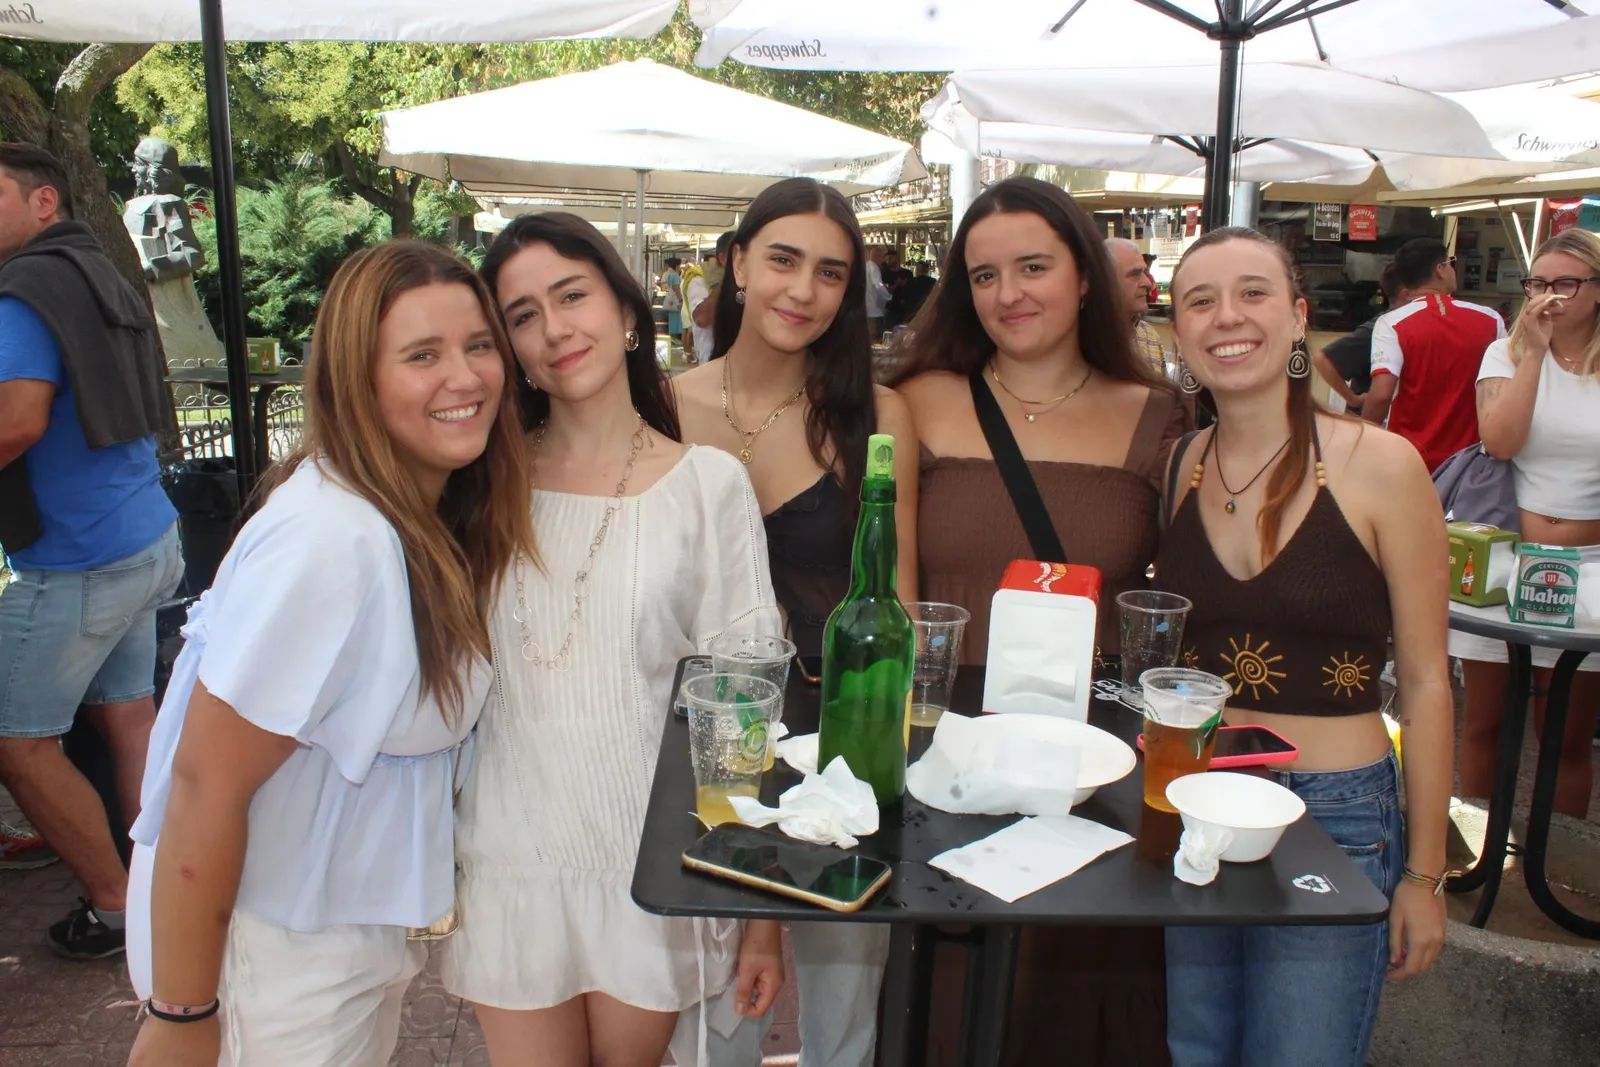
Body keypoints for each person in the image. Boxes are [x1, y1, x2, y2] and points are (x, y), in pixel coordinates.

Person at [124, 239, 535, 1066]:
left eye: (478, 344)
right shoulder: (333, 539)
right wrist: (181, 1015)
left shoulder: (404, 514)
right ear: (357, 376)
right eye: (423, 355)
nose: (466, 377)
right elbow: (206, 782)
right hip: (274, 962)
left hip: (332, 949)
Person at [443, 212, 784, 1067]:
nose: (554, 329)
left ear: (627, 312)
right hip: (508, 857)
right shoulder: (478, 486)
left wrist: (762, 917)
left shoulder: (710, 486)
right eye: (522, 315)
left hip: (649, 860)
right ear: (508, 347)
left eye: (571, 296)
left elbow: (744, 709)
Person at [891, 175, 1187, 1065]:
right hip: (948, 760)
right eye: (984, 276)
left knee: (1071, 1000)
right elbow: (897, 590)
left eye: (1032, 267)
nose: (1008, 294)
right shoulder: (916, 399)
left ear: (1087, 276)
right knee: (951, 1001)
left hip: (1087, 765)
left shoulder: (1162, 417)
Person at [1156, 226, 1451, 1067]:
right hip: (1202, 800)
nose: (1226, 318)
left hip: (1338, 811)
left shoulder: (1383, 465)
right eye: (1199, 301)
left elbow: (1428, 682)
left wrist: (1425, 876)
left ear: (1297, 317)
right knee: (1198, 1049)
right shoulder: (1181, 464)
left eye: (1252, 293)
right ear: (1178, 331)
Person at [671, 175, 918, 1067]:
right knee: (713, 1015)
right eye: (782, 259)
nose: (802, 290)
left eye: (831, 273)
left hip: (842, 738)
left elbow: (904, 603)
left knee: (845, 1006)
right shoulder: (658, 406)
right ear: (738, 262)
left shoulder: (876, 418)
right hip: (706, 737)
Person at [0, 142, 181, 960]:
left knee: (18, 744)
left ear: (44, 203)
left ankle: (115, 907)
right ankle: (160, 886)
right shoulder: (106, 271)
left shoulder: (24, 289)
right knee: (129, 715)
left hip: (79, 563)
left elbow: (17, 423)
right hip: (148, 535)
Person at [1457, 228, 1600, 819]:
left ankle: (1553, 874)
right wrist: (1537, 352)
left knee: (1565, 735)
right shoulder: (1507, 353)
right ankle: (1471, 863)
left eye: (1565, 282)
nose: (1550, 296)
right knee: (1484, 721)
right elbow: (1500, 442)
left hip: (1590, 570)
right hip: (1503, 561)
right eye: (1539, 283)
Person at [1364, 237, 1505, 472]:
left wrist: (1364, 438)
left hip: (1408, 459)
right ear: (1440, 270)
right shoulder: (1490, 320)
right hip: (1470, 462)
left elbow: (1381, 394)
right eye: (1450, 263)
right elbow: (1501, 390)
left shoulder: (1392, 323)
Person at [1315, 263, 1407, 414]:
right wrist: (1354, 399)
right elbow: (1323, 360)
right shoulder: (1381, 327)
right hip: (1372, 422)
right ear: (1406, 294)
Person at [1107, 236, 1169, 377]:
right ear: (1105, 280)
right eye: (1135, 274)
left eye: (1145, 272)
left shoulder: (1149, 336)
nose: (1147, 283)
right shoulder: (1076, 342)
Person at [687, 232, 736, 365]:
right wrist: (728, 279)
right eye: (739, 255)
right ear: (723, 258)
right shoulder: (700, 279)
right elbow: (702, 318)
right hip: (711, 364)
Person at [864, 245, 891, 339]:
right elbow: (878, 285)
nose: (883, 261)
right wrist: (888, 296)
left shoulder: (864, 267)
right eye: (883, 257)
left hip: (865, 310)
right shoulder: (874, 268)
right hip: (874, 311)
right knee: (876, 338)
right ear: (878, 256)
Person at [662, 256, 685, 357]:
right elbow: (676, 288)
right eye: (679, 265)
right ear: (676, 265)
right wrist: (680, 298)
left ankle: (673, 337)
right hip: (675, 299)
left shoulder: (670, 274)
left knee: (673, 318)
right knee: (676, 318)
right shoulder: (675, 275)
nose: (680, 267)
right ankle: (674, 337)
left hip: (671, 299)